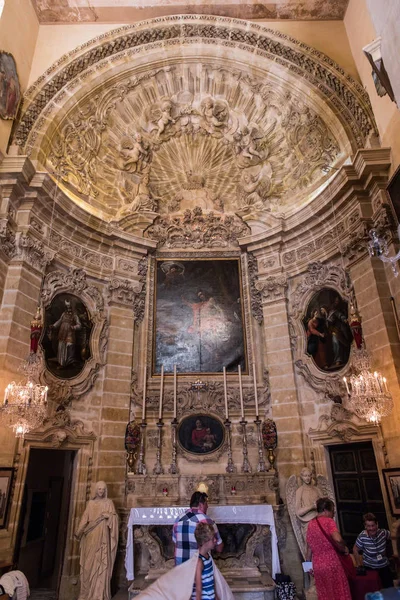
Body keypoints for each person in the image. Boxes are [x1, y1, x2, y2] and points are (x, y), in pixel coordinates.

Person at [75, 481, 119, 600]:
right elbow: (85, 518)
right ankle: (86, 593)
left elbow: (114, 518)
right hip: (90, 536)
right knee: (88, 565)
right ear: (96, 490)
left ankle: (98, 594)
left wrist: (109, 516)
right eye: (99, 489)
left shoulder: (109, 503)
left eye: (103, 489)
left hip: (102, 537)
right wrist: (79, 531)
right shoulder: (90, 503)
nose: (101, 491)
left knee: (100, 564)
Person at [306, 497, 352, 600]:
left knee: (325, 595)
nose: (333, 513)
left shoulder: (311, 524)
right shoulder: (329, 521)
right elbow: (338, 539)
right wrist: (344, 547)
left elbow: (308, 549)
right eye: (332, 511)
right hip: (332, 563)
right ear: (326, 510)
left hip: (318, 566)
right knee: (340, 593)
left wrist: (308, 567)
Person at [172, 491, 223, 565]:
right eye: (206, 503)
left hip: (180, 566)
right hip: (198, 566)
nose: (207, 506)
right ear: (201, 505)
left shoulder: (178, 519)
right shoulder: (207, 521)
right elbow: (219, 548)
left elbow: (174, 541)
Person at [353, 512, 393, 589]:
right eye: (368, 526)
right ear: (365, 526)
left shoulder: (383, 533)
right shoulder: (362, 537)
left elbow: (394, 537)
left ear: (377, 524)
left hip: (384, 566)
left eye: (373, 525)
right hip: (370, 568)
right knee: (374, 591)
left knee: (389, 590)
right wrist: (359, 565)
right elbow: (355, 549)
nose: (371, 528)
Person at [295, 467, 322, 548]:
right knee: (310, 547)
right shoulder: (300, 491)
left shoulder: (317, 490)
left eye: (309, 475)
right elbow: (298, 512)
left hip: (319, 521)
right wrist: (311, 507)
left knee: (321, 546)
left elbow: (325, 505)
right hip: (307, 522)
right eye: (305, 476)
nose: (307, 478)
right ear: (302, 477)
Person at [50, 299, 81, 368]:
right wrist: (54, 325)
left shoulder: (74, 315)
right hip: (62, 332)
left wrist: (74, 327)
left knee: (69, 346)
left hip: (70, 333)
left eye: (69, 307)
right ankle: (61, 363)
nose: (68, 308)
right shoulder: (63, 314)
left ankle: (68, 363)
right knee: (61, 346)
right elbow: (59, 321)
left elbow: (79, 325)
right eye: (67, 307)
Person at [192, 523, 218, 600]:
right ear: (204, 542)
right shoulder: (199, 561)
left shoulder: (208, 556)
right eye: (213, 538)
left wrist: (215, 596)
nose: (215, 540)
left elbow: (211, 580)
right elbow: (198, 589)